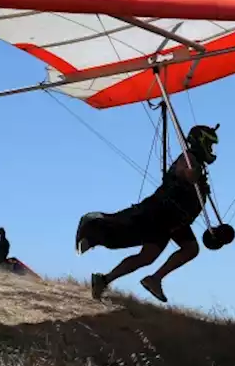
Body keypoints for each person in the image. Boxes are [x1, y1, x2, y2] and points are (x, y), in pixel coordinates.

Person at [75, 123, 219, 303]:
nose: (211, 150)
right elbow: (186, 173)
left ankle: (111, 280)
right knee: (124, 227)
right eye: (210, 145)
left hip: (175, 221)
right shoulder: (188, 158)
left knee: (160, 255)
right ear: (201, 142)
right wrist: (193, 175)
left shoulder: (197, 164)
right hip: (161, 211)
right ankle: (93, 223)